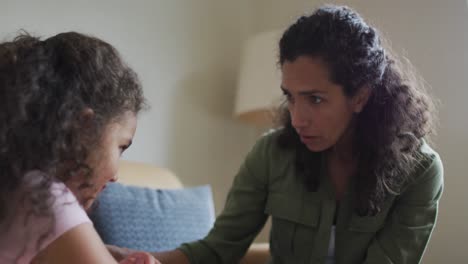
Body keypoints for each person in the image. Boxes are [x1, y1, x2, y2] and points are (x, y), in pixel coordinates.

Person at [110, 5, 444, 264]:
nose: (297, 119)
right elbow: (216, 250)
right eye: (290, 96)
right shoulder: (272, 152)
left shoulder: (420, 171)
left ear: (360, 96)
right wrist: (124, 256)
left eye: (315, 99)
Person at [0, 32, 160, 264]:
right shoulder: (43, 198)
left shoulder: (13, 188)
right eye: (121, 146)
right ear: (84, 127)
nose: (116, 175)